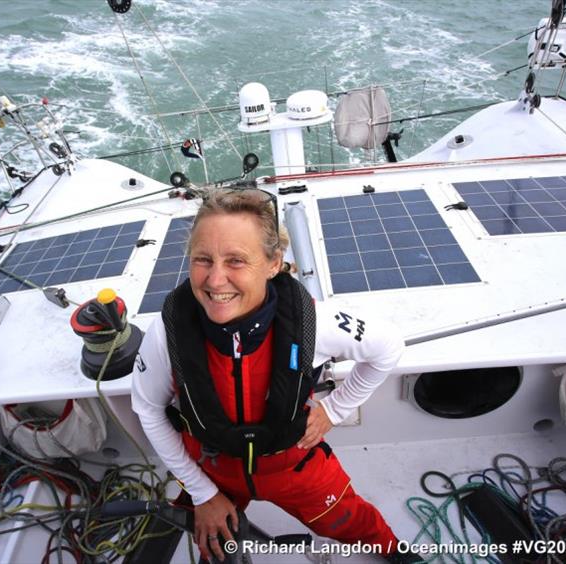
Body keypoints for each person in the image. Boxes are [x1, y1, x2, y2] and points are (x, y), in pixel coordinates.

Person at [131, 188, 412, 563]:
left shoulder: (316, 322)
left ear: (273, 263)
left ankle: (396, 551)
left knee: (347, 521)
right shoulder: (168, 333)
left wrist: (335, 410)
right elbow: (148, 408)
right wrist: (203, 494)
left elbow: (387, 347)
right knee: (213, 547)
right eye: (203, 259)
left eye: (236, 260)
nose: (215, 280)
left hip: (293, 464)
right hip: (212, 467)